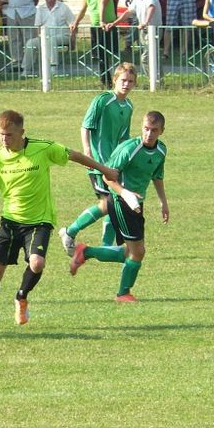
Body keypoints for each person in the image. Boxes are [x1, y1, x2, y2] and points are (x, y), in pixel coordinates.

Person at [0, 110, 117, 331]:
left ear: (22, 132)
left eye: (9, 135)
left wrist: (104, 169)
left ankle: (21, 296)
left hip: (39, 221)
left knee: (37, 263)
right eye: (1, 134)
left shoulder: (42, 149)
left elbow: (74, 155)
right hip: (10, 221)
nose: (4, 139)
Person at [70, 111, 169, 303]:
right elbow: (108, 177)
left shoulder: (161, 150)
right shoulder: (129, 149)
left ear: (162, 131)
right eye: (146, 129)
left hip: (136, 204)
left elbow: (157, 176)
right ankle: (123, 293)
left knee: (130, 252)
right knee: (137, 252)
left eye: (154, 130)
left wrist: (163, 202)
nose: (149, 134)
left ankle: (85, 252)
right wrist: (125, 194)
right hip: (120, 202)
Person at [59, 64, 135, 253]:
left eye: (130, 81)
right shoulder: (103, 100)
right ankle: (70, 231)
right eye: (123, 80)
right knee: (108, 203)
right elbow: (86, 126)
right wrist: (87, 150)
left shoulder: (128, 106)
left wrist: (125, 159)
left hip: (114, 163)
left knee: (114, 202)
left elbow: (124, 137)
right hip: (98, 162)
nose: (126, 84)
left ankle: (106, 246)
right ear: (114, 80)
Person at [70, 0, 118, 87]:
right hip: (95, 28)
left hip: (108, 26)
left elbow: (102, 4)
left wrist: (102, 21)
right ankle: (105, 80)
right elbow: (83, 10)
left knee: (112, 54)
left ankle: (116, 79)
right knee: (99, 55)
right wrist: (76, 23)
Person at [21, 0, 75, 76]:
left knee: (51, 40)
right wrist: (40, 38)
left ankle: (53, 68)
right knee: (30, 43)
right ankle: (26, 70)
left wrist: (73, 40)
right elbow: (37, 26)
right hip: (45, 37)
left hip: (63, 36)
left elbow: (72, 25)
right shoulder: (40, 9)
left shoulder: (63, 7)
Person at [106, 0, 161, 64]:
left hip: (153, 29)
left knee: (146, 58)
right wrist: (114, 23)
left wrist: (145, 22)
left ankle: (155, 73)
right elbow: (128, 12)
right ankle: (156, 73)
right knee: (151, 58)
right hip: (144, 30)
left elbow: (151, 7)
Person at [1, 0, 39, 69]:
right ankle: (17, 61)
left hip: (27, 11)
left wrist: (30, 6)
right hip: (12, 12)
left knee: (29, 38)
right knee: (14, 38)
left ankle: (30, 62)